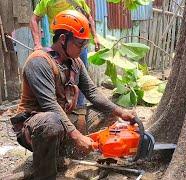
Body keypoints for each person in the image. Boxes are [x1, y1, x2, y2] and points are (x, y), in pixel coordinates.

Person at [11, 10, 135, 179]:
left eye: (85, 44)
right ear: (63, 39)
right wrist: (77, 136)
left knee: (107, 114)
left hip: (62, 121)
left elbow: (92, 92)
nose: (83, 48)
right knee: (51, 123)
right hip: (36, 126)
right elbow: (50, 105)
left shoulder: (75, 63)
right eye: (80, 44)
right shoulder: (38, 62)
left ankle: (67, 153)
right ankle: (46, 173)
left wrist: (120, 112)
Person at [30, 0, 100, 108]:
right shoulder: (47, 1)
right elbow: (34, 18)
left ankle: (79, 106)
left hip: (79, 41)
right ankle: (63, 105)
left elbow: (89, 17)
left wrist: (95, 36)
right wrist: (37, 43)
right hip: (62, 43)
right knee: (62, 74)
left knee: (80, 76)